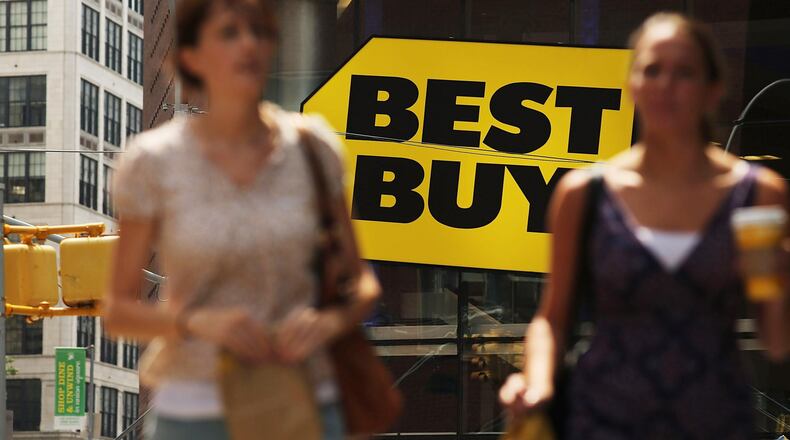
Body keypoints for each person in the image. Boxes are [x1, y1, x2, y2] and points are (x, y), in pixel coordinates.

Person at [500, 12, 789, 439]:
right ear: (632, 85)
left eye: (684, 72)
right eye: (652, 70)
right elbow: (552, 318)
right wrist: (537, 382)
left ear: (713, 90)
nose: (665, 85)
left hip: (713, 420)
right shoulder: (585, 194)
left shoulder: (756, 194)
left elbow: (776, 337)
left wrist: (780, 277)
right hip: (602, 418)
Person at [102, 1, 381, 439]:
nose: (249, 44)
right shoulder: (152, 162)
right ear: (192, 57)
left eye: (260, 31)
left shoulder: (314, 148)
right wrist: (197, 322)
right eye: (230, 33)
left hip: (305, 401)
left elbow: (363, 285)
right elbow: (118, 312)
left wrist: (328, 322)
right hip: (194, 411)